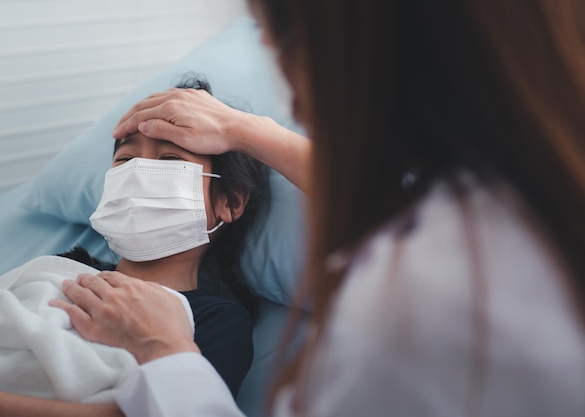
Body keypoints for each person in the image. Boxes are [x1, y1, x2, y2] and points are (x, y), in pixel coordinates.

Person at [39, 0, 585, 416]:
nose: (296, 100)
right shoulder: (499, 220)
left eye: (293, 54)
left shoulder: (425, 295)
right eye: (125, 160)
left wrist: (163, 348)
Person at [0, 77, 270, 415]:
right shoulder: (57, 270)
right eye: (125, 159)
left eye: (168, 159)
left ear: (231, 202)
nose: (138, 172)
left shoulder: (216, 320)